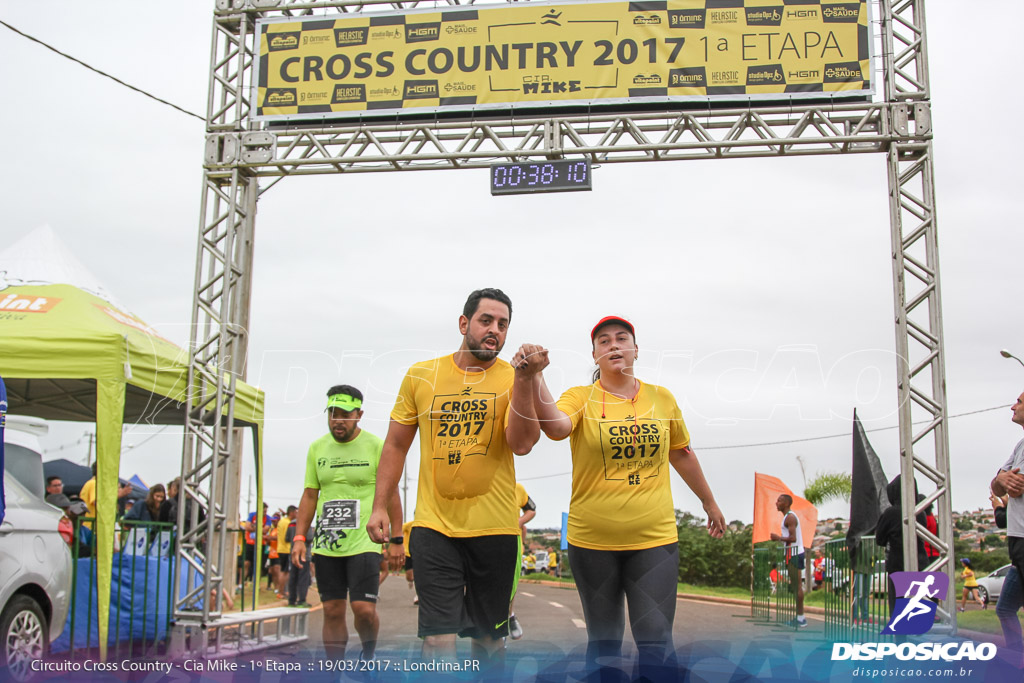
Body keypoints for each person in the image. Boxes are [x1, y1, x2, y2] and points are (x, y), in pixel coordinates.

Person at [525, 315, 725, 677]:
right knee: (604, 642)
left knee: (655, 638)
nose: (614, 345)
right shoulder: (581, 397)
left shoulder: (662, 399)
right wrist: (537, 375)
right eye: (604, 341)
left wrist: (708, 502)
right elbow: (555, 427)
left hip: (654, 538)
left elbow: (681, 453)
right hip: (593, 542)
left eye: (621, 339)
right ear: (594, 354)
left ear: (635, 349)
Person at [365, 288, 540, 668]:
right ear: (464, 323)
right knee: (437, 640)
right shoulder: (421, 375)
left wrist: (526, 382)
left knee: (490, 643)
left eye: (503, 324)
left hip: (494, 531)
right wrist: (380, 505)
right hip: (434, 527)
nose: (495, 330)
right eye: (486, 321)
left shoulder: (515, 377)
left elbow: (522, 443)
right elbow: (395, 445)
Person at [291, 385, 404, 660]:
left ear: (359, 414)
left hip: (365, 539)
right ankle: (333, 671)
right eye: (332, 413)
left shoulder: (377, 446)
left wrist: (398, 539)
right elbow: (309, 495)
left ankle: (368, 654)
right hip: (328, 543)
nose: (337, 420)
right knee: (332, 610)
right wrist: (299, 537)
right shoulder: (317, 447)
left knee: (364, 611)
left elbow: (391, 494)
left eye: (344, 414)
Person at [991, 389, 1024, 665]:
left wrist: (1007, 482)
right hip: (1017, 543)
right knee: (1005, 609)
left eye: (1020, 402)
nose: (1013, 407)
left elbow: (1014, 486)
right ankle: (1017, 657)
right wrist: (1003, 479)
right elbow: (997, 483)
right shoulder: (1020, 444)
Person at [875, 474, 928, 628]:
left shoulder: (890, 513)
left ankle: (901, 644)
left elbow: (880, 539)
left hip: (897, 564)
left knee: (898, 608)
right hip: (920, 563)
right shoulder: (920, 512)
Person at [771, 494, 807, 629]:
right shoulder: (787, 517)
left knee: (796, 586)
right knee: (795, 586)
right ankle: (799, 617)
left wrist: (778, 538)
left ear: (786, 503)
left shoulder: (790, 517)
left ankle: (801, 618)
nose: (776, 503)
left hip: (795, 554)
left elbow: (792, 538)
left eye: (779, 501)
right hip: (792, 554)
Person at [509, 482, 537, 640]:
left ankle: (509, 616)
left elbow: (531, 509)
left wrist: (518, 522)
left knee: (510, 585)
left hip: (512, 540)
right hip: (482, 537)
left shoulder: (517, 488)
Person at [275, 506, 295, 599]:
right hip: (286, 549)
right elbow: (287, 537)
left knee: (283, 571)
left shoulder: (282, 521)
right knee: (285, 572)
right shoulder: (288, 523)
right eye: (295, 512)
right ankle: (281, 591)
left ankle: (282, 591)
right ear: (291, 512)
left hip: (280, 548)